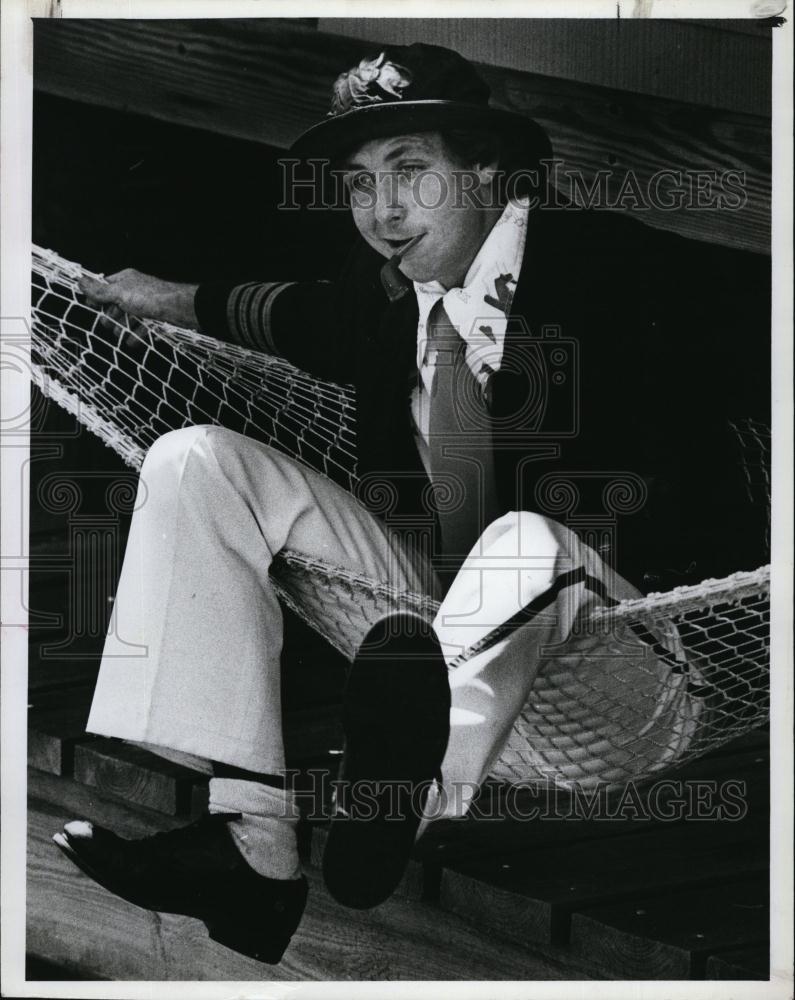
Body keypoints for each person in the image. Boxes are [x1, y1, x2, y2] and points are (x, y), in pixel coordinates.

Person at [52, 43, 769, 964]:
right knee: (195, 462)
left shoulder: (619, 271)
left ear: (489, 173)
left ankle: (400, 797)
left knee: (521, 541)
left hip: (642, 674)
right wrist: (164, 298)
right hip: (449, 637)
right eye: (356, 187)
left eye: (410, 172)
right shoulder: (389, 299)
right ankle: (249, 839)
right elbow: (283, 311)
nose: (381, 212)